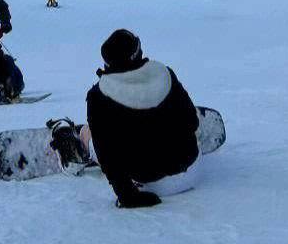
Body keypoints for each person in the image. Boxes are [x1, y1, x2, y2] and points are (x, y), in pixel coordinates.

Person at [52, 29, 200, 209]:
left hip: (150, 182)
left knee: (87, 132)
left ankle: (72, 143)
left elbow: (107, 157)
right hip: (191, 171)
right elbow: (192, 120)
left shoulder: (99, 95)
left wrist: (127, 196)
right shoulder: (165, 74)